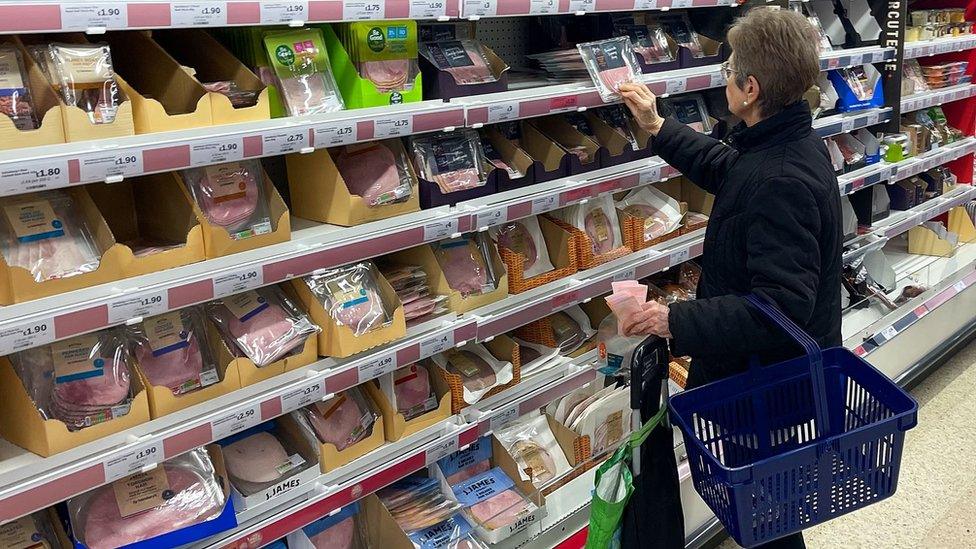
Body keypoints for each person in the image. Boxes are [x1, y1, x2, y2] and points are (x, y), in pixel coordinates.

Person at [616, 8, 842, 549]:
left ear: (751, 87)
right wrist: (657, 126)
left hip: (764, 384)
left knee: (769, 515)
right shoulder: (779, 144)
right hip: (766, 378)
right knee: (771, 509)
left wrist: (673, 319)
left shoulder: (781, 179)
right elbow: (728, 170)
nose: (723, 76)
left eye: (730, 68)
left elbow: (779, 311)